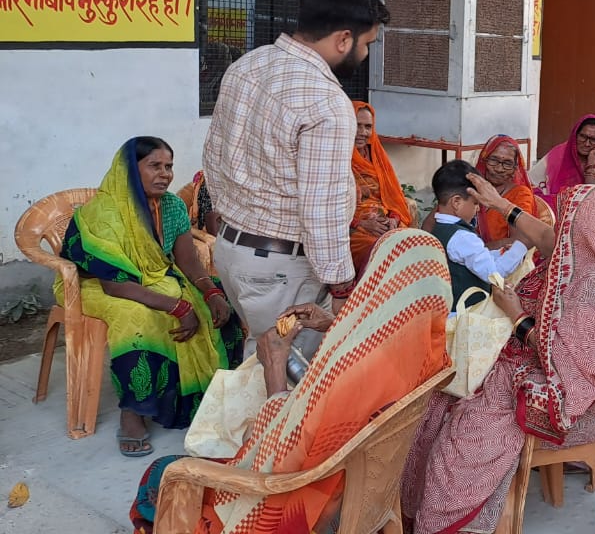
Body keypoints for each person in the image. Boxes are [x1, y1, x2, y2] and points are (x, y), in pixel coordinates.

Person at [127, 229, 452, 534]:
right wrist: (333, 324)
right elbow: (380, 340)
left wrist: (275, 367)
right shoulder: (428, 352)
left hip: (305, 499)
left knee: (166, 472)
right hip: (361, 488)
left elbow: (286, 453)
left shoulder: (354, 378)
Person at [400, 183, 595, 534]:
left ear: (586, 230)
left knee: (466, 438)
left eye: (568, 221)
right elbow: (543, 235)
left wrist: (517, 316)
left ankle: (447, 520)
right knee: (435, 399)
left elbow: (565, 359)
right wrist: (500, 204)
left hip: (570, 395)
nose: (560, 229)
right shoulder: (577, 255)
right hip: (519, 358)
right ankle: (412, 506)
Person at [204, 0, 390, 346]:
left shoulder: (246, 66)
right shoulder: (327, 102)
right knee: (292, 373)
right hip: (281, 269)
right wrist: (341, 287)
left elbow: (213, 157)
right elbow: (321, 209)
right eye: (367, 43)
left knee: (263, 358)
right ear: (343, 39)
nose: (365, 54)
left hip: (232, 252)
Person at [59, 137, 243, 457]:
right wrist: (178, 307)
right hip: (96, 285)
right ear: (130, 169)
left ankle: (208, 399)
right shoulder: (104, 213)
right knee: (139, 318)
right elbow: (114, 285)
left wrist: (211, 292)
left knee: (223, 304)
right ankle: (133, 411)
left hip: (156, 277)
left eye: (169, 166)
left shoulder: (172, 206)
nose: (165, 174)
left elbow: (187, 261)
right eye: (154, 166)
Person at [431, 160, 530, 305]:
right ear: (456, 202)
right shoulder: (463, 237)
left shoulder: (439, 228)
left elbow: (474, 259)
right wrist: (521, 247)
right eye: (475, 203)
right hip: (469, 311)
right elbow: (495, 274)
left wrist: (501, 253)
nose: (477, 209)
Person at [349, 101, 412, 277]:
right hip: (354, 229)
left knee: (413, 244)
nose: (363, 132)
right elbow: (328, 208)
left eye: (368, 127)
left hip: (384, 224)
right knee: (381, 251)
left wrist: (394, 218)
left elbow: (393, 196)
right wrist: (360, 223)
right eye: (357, 125)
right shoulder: (336, 157)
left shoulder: (376, 156)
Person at [473, 134, 537, 247]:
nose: (499, 169)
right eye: (493, 160)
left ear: (515, 168)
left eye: (507, 163)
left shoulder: (520, 194)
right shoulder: (472, 186)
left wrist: (481, 251)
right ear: (484, 160)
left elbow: (521, 241)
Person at [539, 114, 595, 203]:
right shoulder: (558, 155)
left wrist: (592, 157)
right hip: (557, 205)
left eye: (593, 139)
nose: (587, 144)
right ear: (575, 135)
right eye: (582, 136)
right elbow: (531, 183)